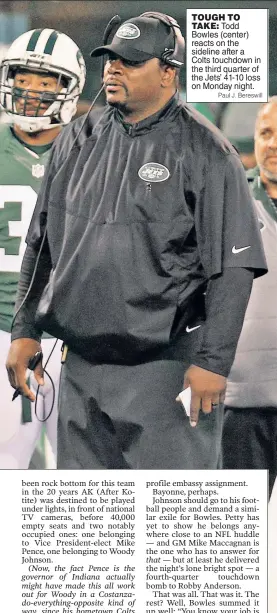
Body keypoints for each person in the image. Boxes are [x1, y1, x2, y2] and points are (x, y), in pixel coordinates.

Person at [6, 12, 267, 470]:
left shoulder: (208, 151)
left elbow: (234, 267)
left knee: (171, 523)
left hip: (164, 370)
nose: (113, 69)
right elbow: (41, 241)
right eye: (110, 60)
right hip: (81, 368)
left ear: (168, 71)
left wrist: (214, 362)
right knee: (89, 525)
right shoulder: (77, 138)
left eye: (130, 61)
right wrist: (26, 329)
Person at [0, 27, 86, 468]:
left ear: (67, 89)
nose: (31, 90)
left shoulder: (93, 153)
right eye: (23, 77)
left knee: (81, 474)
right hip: (2, 331)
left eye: (46, 81)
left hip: (75, 338)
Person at [222, 98, 277, 500]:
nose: (272, 144)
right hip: (243, 398)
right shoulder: (228, 200)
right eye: (265, 133)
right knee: (236, 538)